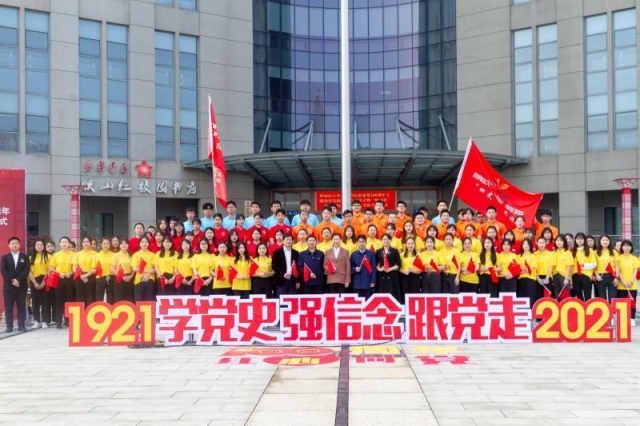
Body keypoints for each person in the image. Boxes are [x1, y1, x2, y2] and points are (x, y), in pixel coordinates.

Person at [1, 237, 30, 332]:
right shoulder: (5, 257)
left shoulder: (24, 257)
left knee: (21, 306)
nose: (14, 245)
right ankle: (9, 326)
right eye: (12, 243)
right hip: (8, 287)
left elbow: (26, 270)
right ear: (9, 245)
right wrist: (13, 281)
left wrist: (18, 280)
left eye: (16, 243)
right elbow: (3, 270)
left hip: (21, 286)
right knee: (8, 307)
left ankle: (21, 325)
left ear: (19, 245)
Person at [49, 236, 75, 329]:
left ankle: (68, 320)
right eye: (62, 242)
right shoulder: (56, 255)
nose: (64, 244)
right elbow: (51, 268)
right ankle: (58, 321)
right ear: (60, 244)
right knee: (59, 300)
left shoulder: (74, 255)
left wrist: (70, 273)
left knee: (69, 300)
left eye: (66, 242)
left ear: (69, 243)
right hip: (59, 279)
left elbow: (75, 268)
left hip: (69, 279)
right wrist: (59, 274)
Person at [616, 240, 638, 326]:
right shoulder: (618, 258)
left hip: (632, 285)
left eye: (628, 246)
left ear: (631, 247)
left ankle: (632, 318)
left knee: (632, 302)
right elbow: (618, 271)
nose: (626, 247)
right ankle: (622, 318)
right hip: (621, 285)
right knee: (621, 302)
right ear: (621, 247)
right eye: (624, 246)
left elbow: (635, 271)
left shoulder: (635, 258)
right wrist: (623, 282)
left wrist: (631, 281)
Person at [29, 239, 50, 329]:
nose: (39, 246)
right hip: (34, 279)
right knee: (35, 301)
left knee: (45, 301)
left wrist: (44, 282)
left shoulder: (48, 256)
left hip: (45, 279)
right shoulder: (30, 258)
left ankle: (45, 321)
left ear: (44, 246)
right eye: (37, 245)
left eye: (41, 245)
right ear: (34, 247)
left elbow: (49, 270)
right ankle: (36, 321)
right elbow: (29, 271)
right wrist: (34, 282)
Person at [72, 237, 97, 305]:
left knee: (90, 295)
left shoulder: (95, 254)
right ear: (82, 243)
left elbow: (96, 267)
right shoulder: (78, 254)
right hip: (79, 276)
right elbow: (74, 267)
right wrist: (81, 276)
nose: (86, 243)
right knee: (80, 295)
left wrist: (86, 275)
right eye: (84, 242)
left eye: (87, 242)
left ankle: (89, 310)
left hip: (91, 276)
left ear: (91, 243)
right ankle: (81, 311)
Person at [376, 234, 401, 303]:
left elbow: (398, 264)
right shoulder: (378, 251)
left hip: (392, 275)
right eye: (384, 239)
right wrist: (379, 269)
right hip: (382, 275)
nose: (386, 241)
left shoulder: (395, 251)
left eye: (387, 239)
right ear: (381, 240)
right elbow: (376, 263)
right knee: (382, 293)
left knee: (392, 293)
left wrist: (390, 269)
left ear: (390, 240)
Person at [131, 236, 156, 302]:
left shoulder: (153, 255)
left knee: (149, 300)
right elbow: (134, 268)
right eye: (142, 242)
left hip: (150, 279)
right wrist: (147, 272)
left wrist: (148, 274)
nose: (144, 243)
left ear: (148, 243)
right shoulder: (136, 255)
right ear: (139, 243)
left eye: (146, 242)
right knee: (138, 301)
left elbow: (155, 269)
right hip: (139, 279)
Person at [573, 232, 596, 301]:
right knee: (579, 296)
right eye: (577, 239)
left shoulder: (589, 250)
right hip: (575, 275)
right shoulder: (573, 251)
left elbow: (594, 264)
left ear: (584, 240)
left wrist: (584, 265)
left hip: (586, 275)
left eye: (581, 239)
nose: (579, 240)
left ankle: (587, 307)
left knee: (587, 296)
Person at [595, 234, 617, 302]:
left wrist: (616, 277)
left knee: (612, 297)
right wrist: (597, 275)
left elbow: (617, 266)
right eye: (603, 240)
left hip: (612, 275)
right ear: (600, 241)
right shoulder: (595, 252)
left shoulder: (614, 252)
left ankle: (612, 309)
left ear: (609, 241)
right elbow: (594, 266)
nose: (605, 242)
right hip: (600, 276)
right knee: (602, 299)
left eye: (607, 240)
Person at [111, 239, 134, 303]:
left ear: (128, 245)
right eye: (122, 244)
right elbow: (112, 269)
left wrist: (131, 277)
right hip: (119, 278)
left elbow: (134, 268)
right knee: (119, 299)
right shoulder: (115, 255)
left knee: (129, 299)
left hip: (129, 278)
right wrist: (122, 277)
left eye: (125, 243)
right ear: (119, 245)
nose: (124, 245)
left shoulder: (131, 255)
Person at [517, 238, 537, 309]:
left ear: (530, 246)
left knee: (530, 298)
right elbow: (516, 270)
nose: (526, 245)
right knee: (521, 298)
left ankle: (530, 314)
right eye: (524, 244)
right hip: (520, 280)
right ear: (522, 245)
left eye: (528, 244)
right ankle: (522, 314)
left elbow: (530, 269)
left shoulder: (533, 256)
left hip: (530, 279)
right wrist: (523, 270)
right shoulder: (518, 256)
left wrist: (521, 270)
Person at [553, 234, 574, 300]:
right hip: (555, 275)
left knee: (565, 295)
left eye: (561, 240)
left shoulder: (568, 253)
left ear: (564, 242)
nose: (559, 242)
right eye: (557, 240)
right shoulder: (553, 252)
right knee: (557, 295)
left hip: (564, 276)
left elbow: (569, 266)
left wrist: (566, 278)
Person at [93, 237, 115, 304]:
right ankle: (99, 309)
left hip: (111, 277)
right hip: (100, 277)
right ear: (101, 244)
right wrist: (97, 270)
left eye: (107, 243)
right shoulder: (96, 256)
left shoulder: (114, 255)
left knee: (110, 296)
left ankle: (111, 309)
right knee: (99, 296)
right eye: (104, 243)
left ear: (110, 244)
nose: (105, 245)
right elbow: (93, 268)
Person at [535, 236, 555, 301]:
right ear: (537, 243)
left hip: (548, 278)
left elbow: (551, 266)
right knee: (538, 298)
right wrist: (538, 278)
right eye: (540, 243)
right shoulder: (534, 254)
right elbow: (533, 268)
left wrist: (547, 278)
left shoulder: (551, 254)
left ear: (546, 243)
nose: (541, 244)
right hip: (537, 278)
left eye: (543, 243)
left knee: (548, 298)